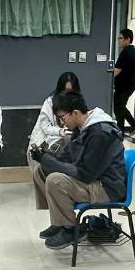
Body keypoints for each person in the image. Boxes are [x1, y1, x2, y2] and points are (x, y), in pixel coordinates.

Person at [31, 90, 124, 250]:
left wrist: (48, 160)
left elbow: (85, 174)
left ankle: (71, 229)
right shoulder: (82, 128)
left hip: (106, 187)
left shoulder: (99, 134)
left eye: (62, 118)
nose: (62, 123)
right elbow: (66, 157)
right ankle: (59, 221)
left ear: (75, 113)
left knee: (55, 181)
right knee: (41, 170)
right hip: (92, 179)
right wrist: (45, 156)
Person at [28, 72, 80, 210]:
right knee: (47, 165)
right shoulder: (50, 102)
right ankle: (51, 199)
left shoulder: (79, 106)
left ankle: (60, 189)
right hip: (53, 138)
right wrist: (59, 131)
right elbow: (45, 126)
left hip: (69, 141)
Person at [111, 28, 135, 135]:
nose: (119, 40)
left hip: (123, 86)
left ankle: (121, 131)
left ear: (128, 39)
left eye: (121, 38)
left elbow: (117, 71)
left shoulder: (125, 52)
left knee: (118, 108)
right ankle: (132, 125)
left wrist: (107, 77)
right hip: (131, 86)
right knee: (121, 106)